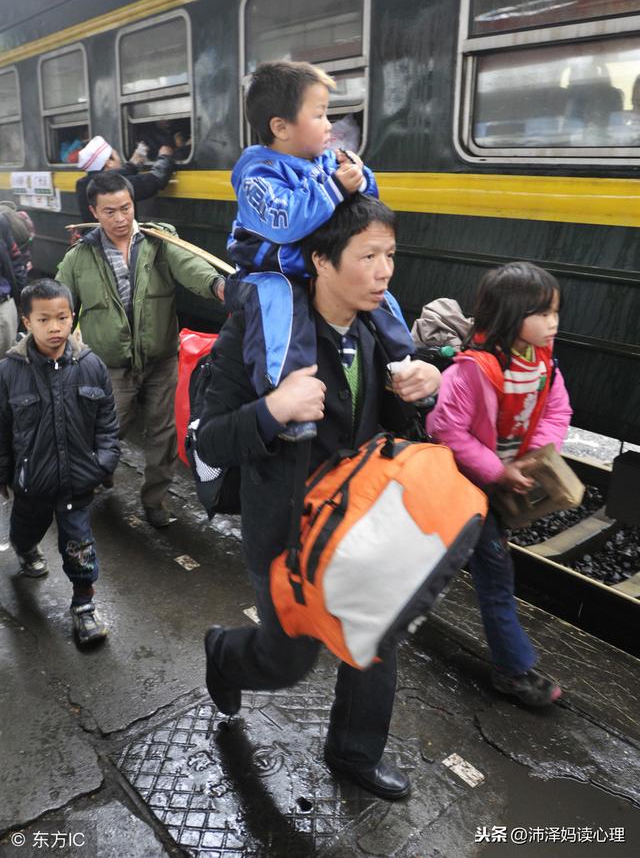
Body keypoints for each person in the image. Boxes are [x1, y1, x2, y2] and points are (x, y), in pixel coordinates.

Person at [198, 194, 441, 800]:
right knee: (288, 661)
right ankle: (225, 654)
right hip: (286, 528)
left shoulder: (382, 331)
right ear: (321, 261)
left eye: (391, 255)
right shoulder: (258, 333)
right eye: (368, 256)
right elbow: (210, 439)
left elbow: (402, 429)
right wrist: (274, 410)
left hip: (364, 521)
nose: (385, 271)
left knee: (375, 639)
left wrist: (426, 390)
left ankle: (354, 754)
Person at [226, 60, 414, 441]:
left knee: (378, 295)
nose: (330, 124)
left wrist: (362, 179)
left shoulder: (325, 161)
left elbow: (361, 217)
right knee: (281, 309)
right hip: (271, 268)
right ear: (281, 127)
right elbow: (285, 222)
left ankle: (404, 362)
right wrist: (335, 189)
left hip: (313, 263)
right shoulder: (257, 174)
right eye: (319, 114)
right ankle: (287, 397)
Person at [427, 261, 572, 707]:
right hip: (466, 488)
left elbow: (557, 411)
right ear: (510, 315)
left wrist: (534, 457)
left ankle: (385, 604)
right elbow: (445, 430)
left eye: (555, 312)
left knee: (447, 560)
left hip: (499, 486)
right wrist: (496, 470)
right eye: (543, 313)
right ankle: (512, 671)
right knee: (495, 576)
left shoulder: (542, 363)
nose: (553, 322)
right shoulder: (474, 369)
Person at [56, 171, 226, 528]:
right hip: (110, 367)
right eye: (109, 211)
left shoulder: (158, 241)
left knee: (163, 434)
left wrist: (218, 286)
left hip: (161, 360)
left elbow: (191, 267)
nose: (120, 219)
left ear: (134, 204)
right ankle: (95, 475)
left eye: (126, 208)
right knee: (106, 431)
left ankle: (155, 501)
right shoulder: (79, 257)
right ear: (94, 211)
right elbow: (59, 306)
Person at [0, 279, 120, 646]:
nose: (55, 327)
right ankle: (26, 549)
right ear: (26, 321)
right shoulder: (9, 371)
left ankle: (83, 606)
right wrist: (5, 474)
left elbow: (107, 422)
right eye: (44, 319)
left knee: (79, 544)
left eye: (63, 318)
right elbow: (3, 429)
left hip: (77, 483)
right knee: (24, 531)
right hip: (31, 484)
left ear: (72, 318)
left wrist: (103, 463)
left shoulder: (91, 365)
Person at [75, 134, 175, 223]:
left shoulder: (84, 184)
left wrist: (132, 165)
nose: (119, 158)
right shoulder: (111, 184)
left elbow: (117, 175)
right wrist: (165, 155)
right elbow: (155, 179)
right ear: (109, 162)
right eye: (116, 155)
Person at [0, 214, 19, 358]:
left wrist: (18, 298)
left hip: (3, 306)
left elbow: (16, 259)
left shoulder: (1, 222)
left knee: (7, 365)